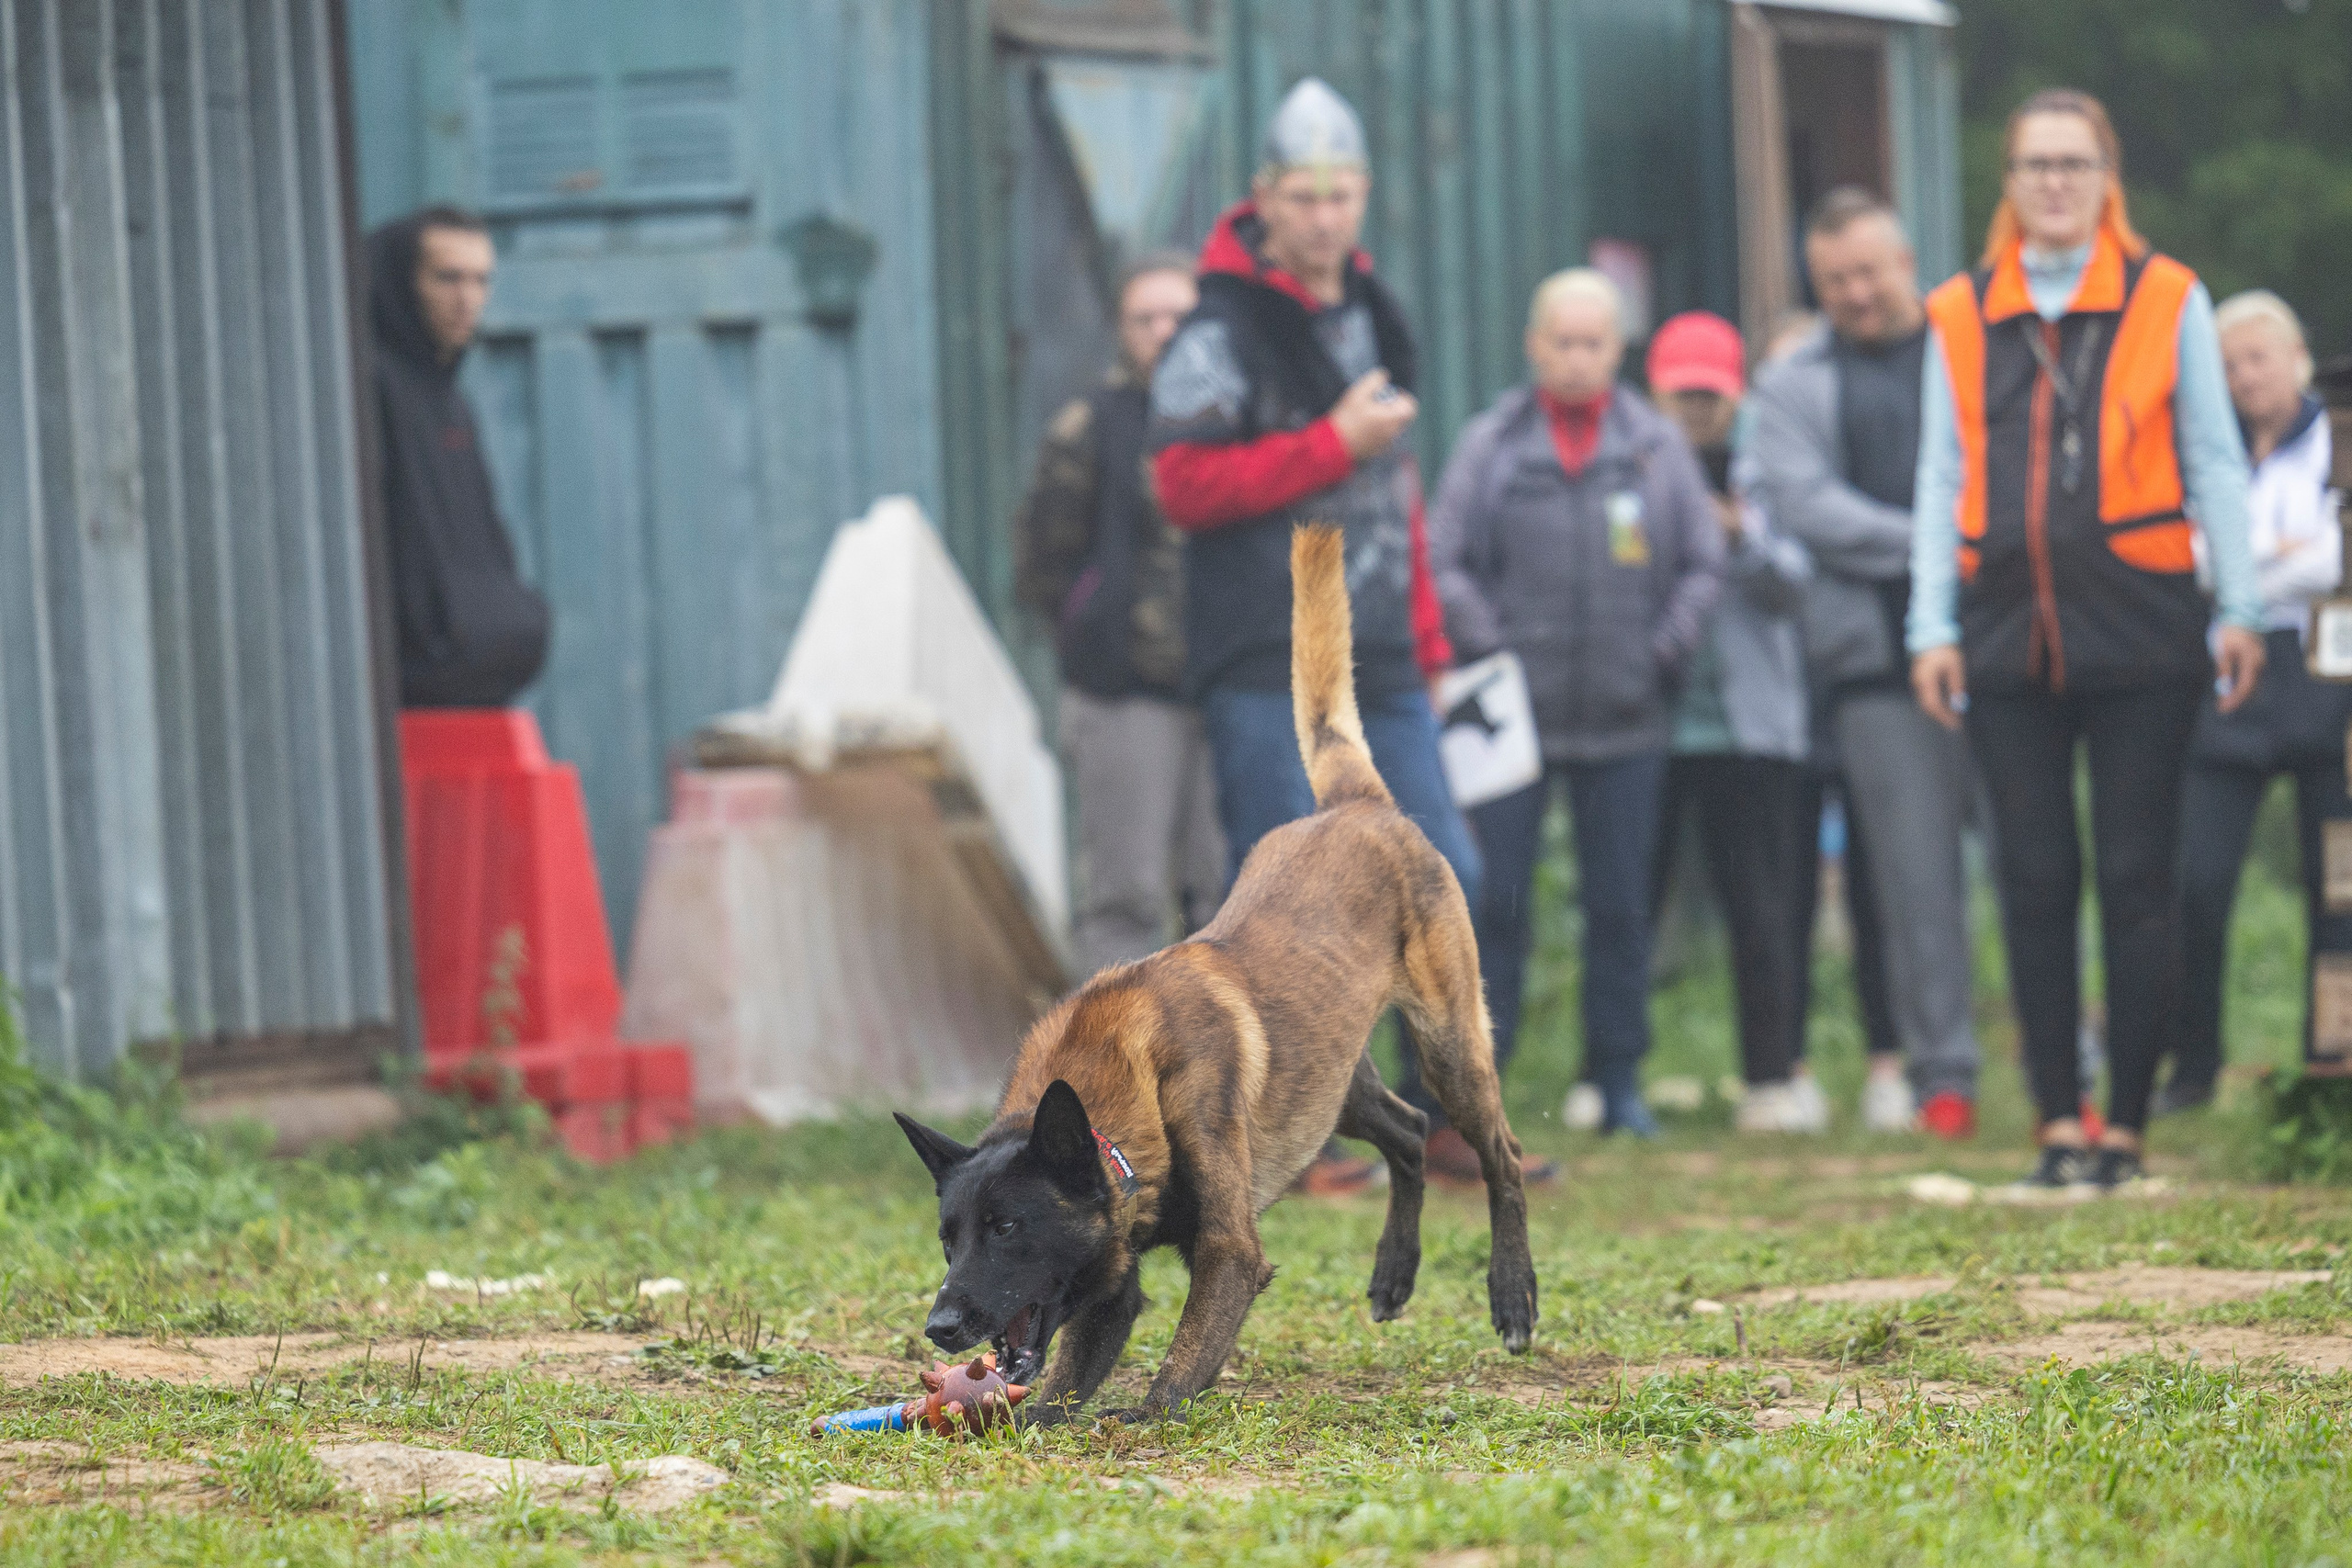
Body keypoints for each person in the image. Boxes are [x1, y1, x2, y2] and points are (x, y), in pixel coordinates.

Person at [1148, 79, 1544, 1192]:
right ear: (1264, 197)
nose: (1325, 216)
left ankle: (1453, 1111)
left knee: (1448, 871)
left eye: (1342, 194)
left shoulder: (1373, 310)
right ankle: (1307, 1134)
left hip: (1385, 659)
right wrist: (1326, 441)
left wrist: (1424, 631)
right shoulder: (1217, 329)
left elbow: (1395, 487)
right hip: (1264, 663)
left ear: (1362, 196)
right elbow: (1180, 481)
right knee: (1282, 915)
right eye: (1304, 195)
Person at [1908, 89, 2265, 1188]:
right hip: (2005, 625)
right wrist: (1929, 620)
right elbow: (1940, 474)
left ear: (2107, 178)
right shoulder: (1959, 311)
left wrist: (2240, 604)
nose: (2053, 183)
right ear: (2008, 184)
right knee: (2030, 873)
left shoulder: (2169, 298)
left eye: (2072, 164)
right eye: (2033, 165)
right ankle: (2057, 1121)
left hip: (2145, 621)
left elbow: (2212, 458)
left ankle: (2127, 1126)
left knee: (2134, 870)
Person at [1429, 269, 1724, 1138]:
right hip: (1510, 723)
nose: (1577, 356)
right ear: (1535, 346)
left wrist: (1664, 648)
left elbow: (1706, 563)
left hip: (1629, 718)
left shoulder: (1655, 448)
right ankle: (1481, 1078)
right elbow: (1442, 556)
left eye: (1594, 342)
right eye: (1562, 340)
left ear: (1617, 351)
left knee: (1622, 900)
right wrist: (1492, 646)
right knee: (1496, 901)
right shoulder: (1493, 443)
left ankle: (1618, 1076)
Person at [1751, 187, 1982, 1139]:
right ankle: (1944, 1078)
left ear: (1904, 258)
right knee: (1914, 881)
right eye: (1833, 278)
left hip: (2001, 646)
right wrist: (1945, 539)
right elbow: (1806, 507)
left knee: (2045, 862)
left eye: (1867, 270)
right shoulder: (1793, 383)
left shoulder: (1968, 352)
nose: (1853, 291)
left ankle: (2074, 1056)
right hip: (1875, 666)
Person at [1014, 254, 1226, 977]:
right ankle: (1107, 1076)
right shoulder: (1088, 428)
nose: (1165, 332)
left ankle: (1214, 1077)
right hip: (1124, 696)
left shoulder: (1236, 419)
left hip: (1227, 689)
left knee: (1224, 898)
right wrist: (1094, 627)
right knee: (1126, 897)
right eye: (1146, 319)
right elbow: (1043, 560)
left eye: (1180, 316)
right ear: (1119, 331)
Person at [2169, 290, 2348, 1113]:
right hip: (2230, 673)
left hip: (2324, 675)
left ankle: (2331, 1059)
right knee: (2197, 880)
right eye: (2228, 363)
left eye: (2258, 357)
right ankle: (2194, 1063)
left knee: (2337, 884)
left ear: (2297, 358)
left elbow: (2331, 560)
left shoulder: (2335, 443)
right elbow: (2193, 558)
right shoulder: (2205, 451)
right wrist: (2277, 557)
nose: (2244, 376)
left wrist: (2246, 561)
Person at [1643, 312, 1822, 1134]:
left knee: (1764, 908)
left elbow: (1796, 584)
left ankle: (1772, 1076)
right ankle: (1612, 1075)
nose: (1697, 409)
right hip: (1656, 722)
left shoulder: (1768, 460)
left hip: (1753, 726)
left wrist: (1742, 535)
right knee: (1631, 906)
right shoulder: (1636, 458)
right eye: (1682, 393)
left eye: (1710, 393)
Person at [368, 207, 548, 708]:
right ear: (401, 282)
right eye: (447, 278)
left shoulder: (447, 393)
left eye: (481, 281)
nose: (467, 300)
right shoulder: (372, 386)